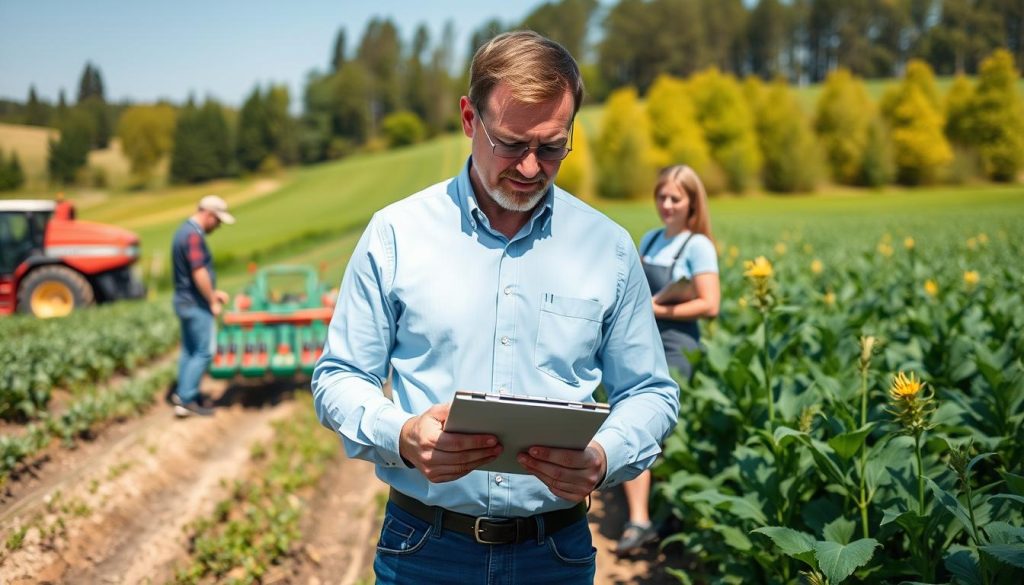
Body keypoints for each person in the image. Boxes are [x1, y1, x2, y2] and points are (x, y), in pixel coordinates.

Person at [312, 31, 679, 584]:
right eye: (511, 143)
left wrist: (603, 457)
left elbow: (650, 392)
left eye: (553, 146)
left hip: (554, 552)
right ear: (469, 119)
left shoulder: (608, 247)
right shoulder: (397, 234)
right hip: (425, 548)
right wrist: (402, 434)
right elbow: (339, 377)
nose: (531, 168)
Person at [615, 165, 720, 555]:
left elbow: (710, 304)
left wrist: (658, 311)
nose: (667, 204)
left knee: (658, 430)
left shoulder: (698, 246)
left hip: (678, 346)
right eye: (662, 196)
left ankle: (668, 516)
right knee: (630, 421)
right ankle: (640, 519)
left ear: (692, 202)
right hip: (642, 342)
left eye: (676, 198)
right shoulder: (651, 238)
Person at [170, 195, 235, 417]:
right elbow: (199, 272)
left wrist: (212, 292)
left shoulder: (182, 231)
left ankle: (182, 394)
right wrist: (212, 300)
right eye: (217, 221)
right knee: (204, 352)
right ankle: (187, 400)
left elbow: (190, 275)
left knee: (189, 350)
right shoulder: (193, 236)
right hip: (195, 303)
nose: (217, 227)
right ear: (209, 215)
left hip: (183, 299)